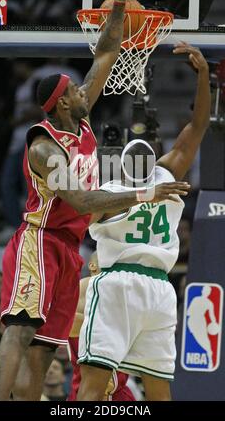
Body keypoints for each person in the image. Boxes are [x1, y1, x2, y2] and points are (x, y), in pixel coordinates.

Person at [0, 0, 189, 401]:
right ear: (63, 102)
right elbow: (81, 201)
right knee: (20, 332)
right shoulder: (45, 149)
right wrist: (146, 194)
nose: (87, 92)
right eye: (78, 92)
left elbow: (106, 53)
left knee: (45, 350)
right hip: (39, 241)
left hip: (68, 248)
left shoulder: (77, 120)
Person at [77, 43, 211, 401]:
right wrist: (204, 77)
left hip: (118, 285)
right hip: (160, 291)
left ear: (121, 165)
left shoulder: (107, 190)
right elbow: (198, 126)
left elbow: (80, 215)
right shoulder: (168, 175)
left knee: (91, 384)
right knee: (158, 390)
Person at [68, 251, 135, 401]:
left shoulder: (122, 293)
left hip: (117, 391)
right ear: (93, 266)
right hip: (83, 388)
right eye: (110, 264)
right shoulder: (80, 290)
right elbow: (69, 326)